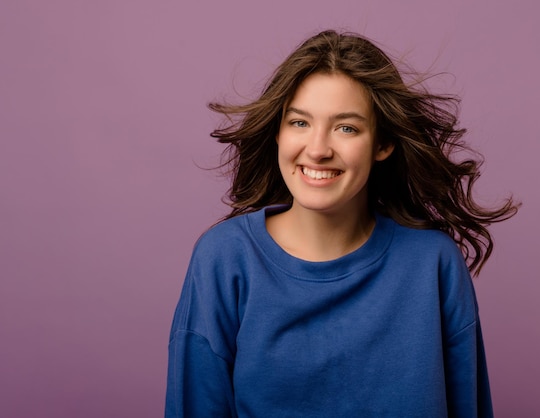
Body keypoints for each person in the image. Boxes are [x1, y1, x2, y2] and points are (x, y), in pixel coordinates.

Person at [165, 30, 518, 418]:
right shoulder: (225, 258)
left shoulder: (433, 264)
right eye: (299, 123)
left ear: (382, 144)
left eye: (346, 128)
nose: (317, 149)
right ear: (278, 133)